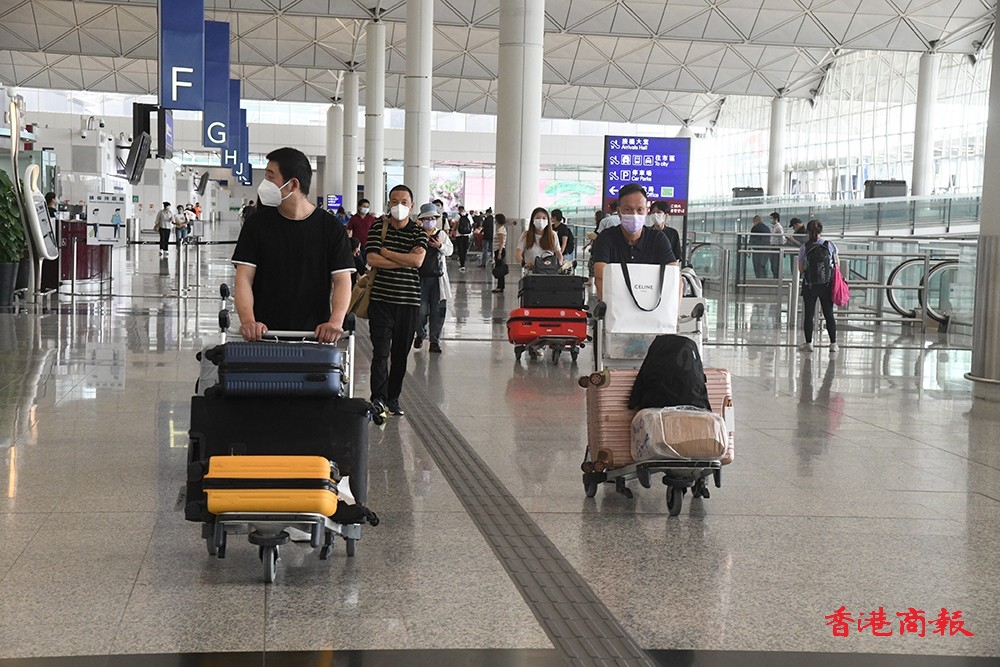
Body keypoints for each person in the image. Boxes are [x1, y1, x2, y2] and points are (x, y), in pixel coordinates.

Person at [231, 146, 355, 343]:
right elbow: (244, 277)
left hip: (314, 336)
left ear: (293, 184)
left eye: (270, 176)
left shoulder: (331, 228)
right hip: (264, 335)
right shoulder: (256, 225)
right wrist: (248, 321)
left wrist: (335, 322)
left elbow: (342, 280)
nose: (264, 184)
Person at [365, 184, 428, 417]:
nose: (398, 206)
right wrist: (404, 259)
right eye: (394, 201)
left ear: (411, 206)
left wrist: (387, 253)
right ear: (388, 203)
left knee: (400, 354)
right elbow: (372, 258)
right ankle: (378, 398)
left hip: (408, 302)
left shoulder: (418, 231)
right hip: (381, 300)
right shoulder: (378, 227)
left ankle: (393, 399)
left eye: (404, 202)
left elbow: (417, 262)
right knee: (380, 353)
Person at [591, 183, 678, 300]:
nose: (634, 215)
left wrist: (671, 309)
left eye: (640, 210)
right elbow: (600, 277)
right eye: (628, 209)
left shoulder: (658, 239)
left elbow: (674, 276)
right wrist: (610, 308)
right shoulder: (606, 238)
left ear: (646, 211)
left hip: (652, 305)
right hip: (616, 305)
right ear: (619, 211)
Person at [413, 203, 453, 354]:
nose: (430, 221)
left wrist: (440, 246)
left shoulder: (441, 235)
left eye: (433, 218)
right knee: (420, 311)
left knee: (438, 311)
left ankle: (434, 341)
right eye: (427, 219)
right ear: (421, 220)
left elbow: (450, 250)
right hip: (420, 278)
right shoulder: (416, 234)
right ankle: (420, 333)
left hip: (438, 278)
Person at [798, 219, 839, 353]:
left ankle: (809, 343)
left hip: (809, 285)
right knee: (829, 314)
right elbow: (836, 264)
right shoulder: (830, 245)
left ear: (807, 232)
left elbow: (801, 269)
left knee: (809, 315)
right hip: (827, 285)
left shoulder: (804, 247)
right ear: (822, 231)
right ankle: (833, 344)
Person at [515, 207, 562, 272]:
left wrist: (559, 266)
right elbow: (518, 254)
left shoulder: (553, 235)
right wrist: (524, 263)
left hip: (549, 272)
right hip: (531, 272)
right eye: (537, 218)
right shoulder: (526, 235)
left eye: (544, 218)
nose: (541, 221)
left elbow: (559, 254)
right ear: (532, 220)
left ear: (548, 221)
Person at [453, 205, 473, 271]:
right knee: (464, 249)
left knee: (460, 249)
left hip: (459, 235)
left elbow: (455, 224)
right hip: (467, 235)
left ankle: (462, 263)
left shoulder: (458, 215)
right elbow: (471, 224)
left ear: (459, 210)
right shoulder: (468, 215)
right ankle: (463, 261)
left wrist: (452, 231)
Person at [749, 214, 770, 279]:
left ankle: (759, 279)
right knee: (763, 266)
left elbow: (752, 239)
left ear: (756, 221)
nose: (753, 223)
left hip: (757, 250)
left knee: (757, 266)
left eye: (753, 222)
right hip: (766, 249)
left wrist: (750, 246)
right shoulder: (767, 228)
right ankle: (764, 279)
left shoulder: (755, 228)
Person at [492, 213, 508, 293]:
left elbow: (501, 242)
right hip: (498, 250)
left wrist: (499, 253)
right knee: (499, 268)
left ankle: (500, 286)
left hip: (499, 250)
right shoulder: (501, 229)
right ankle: (500, 286)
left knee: (499, 269)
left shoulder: (501, 230)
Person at [768, 211, 784, 279]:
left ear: (776, 219)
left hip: (777, 247)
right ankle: (775, 277)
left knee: (776, 265)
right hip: (772, 246)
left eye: (771, 218)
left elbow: (782, 237)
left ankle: (778, 278)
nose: (770, 220)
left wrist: (781, 247)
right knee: (772, 265)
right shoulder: (773, 227)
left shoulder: (779, 227)